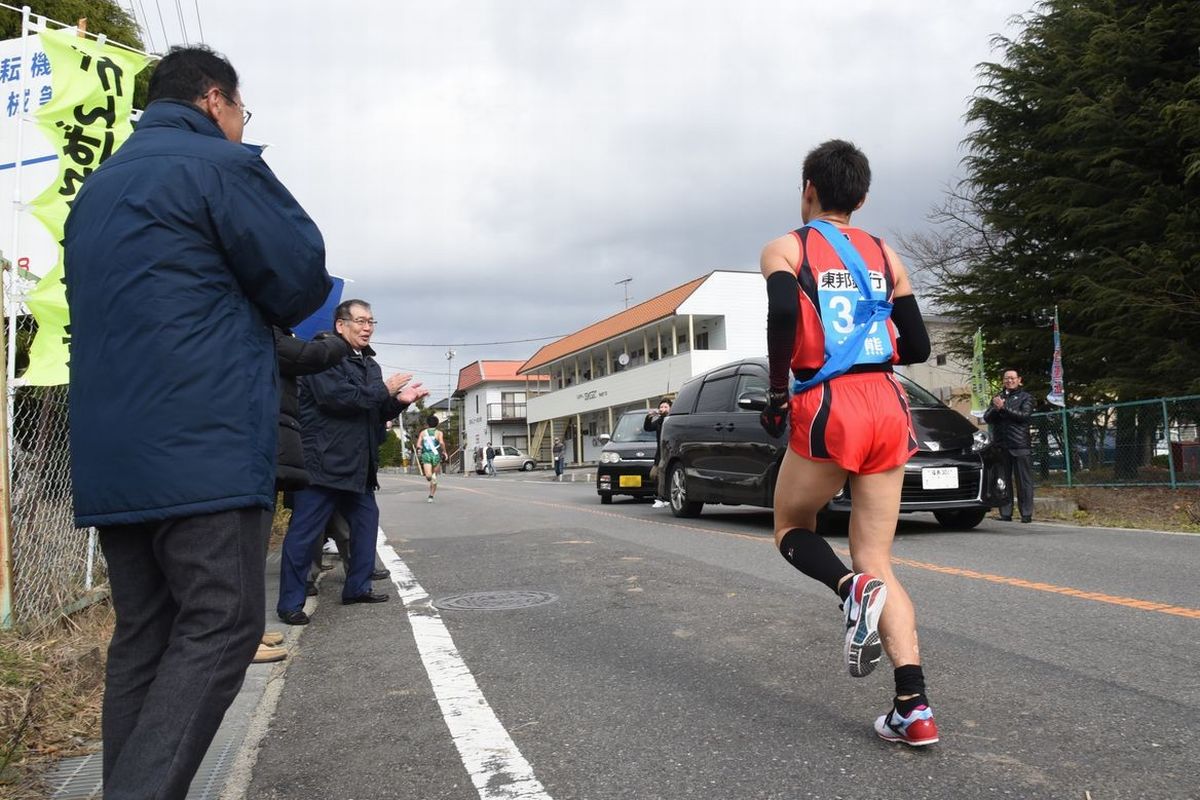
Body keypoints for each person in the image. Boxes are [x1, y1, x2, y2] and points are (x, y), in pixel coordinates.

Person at [63, 46, 331, 799]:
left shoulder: (97, 188)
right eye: (243, 111)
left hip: (114, 451)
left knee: (145, 637)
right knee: (222, 625)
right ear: (215, 99)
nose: (243, 126)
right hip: (202, 441)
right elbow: (298, 277)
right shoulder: (221, 165)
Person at [758, 140, 936, 747]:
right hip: (888, 403)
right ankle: (913, 707)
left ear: (807, 186)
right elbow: (916, 345)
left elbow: (783, 312)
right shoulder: (886, 254)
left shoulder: (787, 247)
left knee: (791, 525)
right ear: (860, 198)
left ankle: (845, 590)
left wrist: (780, 392)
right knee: (880, 559)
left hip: (829, 405)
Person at [276, 299, 428, 624]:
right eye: (360, 321)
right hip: (321, 463)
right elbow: (337, 399)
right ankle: (290, 602)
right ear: (340, 325)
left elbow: (373, 412)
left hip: (357, 466)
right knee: (303, 535)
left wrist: (398, 402)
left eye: (371, 321)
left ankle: (357, 587)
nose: (367, 327)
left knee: (366, 523)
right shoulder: (322, 355)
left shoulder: (370, 365)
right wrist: (384, 391)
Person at [254, 328, 352, 664]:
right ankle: (246, 630)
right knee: (292, 538)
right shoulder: (257, 329)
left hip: (319, 457)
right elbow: (314, 366)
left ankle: (247, 629)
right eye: (360, 322)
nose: (367, 328)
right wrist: (336, 346)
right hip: (309, 456)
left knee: (254, 546)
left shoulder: (268, 331)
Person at [983, 369, 1035, 522]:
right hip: (1001, 446)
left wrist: (1004, 408)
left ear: (1019, 380)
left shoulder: (1026, 397)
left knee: (1024, 481)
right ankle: (1005, 513)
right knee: (1003, 481)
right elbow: (987, 417)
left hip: (1020, 445)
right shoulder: (998, 397)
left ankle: (1026, 514)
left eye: (1012, 378)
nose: (1009, 381)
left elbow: (1024, 416)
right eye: (1006, 378)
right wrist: (996, 408)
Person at [644, 398, 672, 508]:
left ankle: (662, 498)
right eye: (661, 407)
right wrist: (649, 417)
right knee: (653, 474)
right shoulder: (659, 421)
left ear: (670, 409)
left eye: (665, 407)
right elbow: (648, 428)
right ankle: (665, 497)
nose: (663, 409)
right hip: (659, 453)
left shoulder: (670, 420)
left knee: (662, 473)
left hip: (669, 452)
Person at [417, 414, 448, 502]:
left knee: (431, 476)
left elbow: (418, 444)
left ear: (427, 423)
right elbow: (441, 443)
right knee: (429, 476)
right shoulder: (426, 433)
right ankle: (432, 479)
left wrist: (420, 447)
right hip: (428, 455)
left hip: (434, 455)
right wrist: (444, 451)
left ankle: (431, 495)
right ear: (437, 423)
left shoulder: (425, 433)